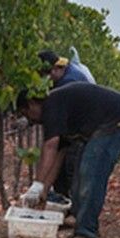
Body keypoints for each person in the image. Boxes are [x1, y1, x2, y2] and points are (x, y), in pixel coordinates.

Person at [17, 82, 120, 238]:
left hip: (118, 120)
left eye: (26, 113)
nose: (30, 120)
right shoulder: (59, 110)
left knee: (90, 172)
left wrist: (37, 184)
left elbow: (50, 146)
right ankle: (77, 218)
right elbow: (59, 154)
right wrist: (45, 191)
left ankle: (86, 231)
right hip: (101, 125)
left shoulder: (51, 105)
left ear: (32, 103)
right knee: (79, 175)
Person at [38, 49, 96, 204]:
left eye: (47, 74)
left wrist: (38, 185)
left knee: (71, 170)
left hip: (82, 131)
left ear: (57, 68)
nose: (46, 79)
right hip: (75, 128)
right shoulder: (67, 72)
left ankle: (75, 209)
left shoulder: (68, 82)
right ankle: (64, 204)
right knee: (63, 168)